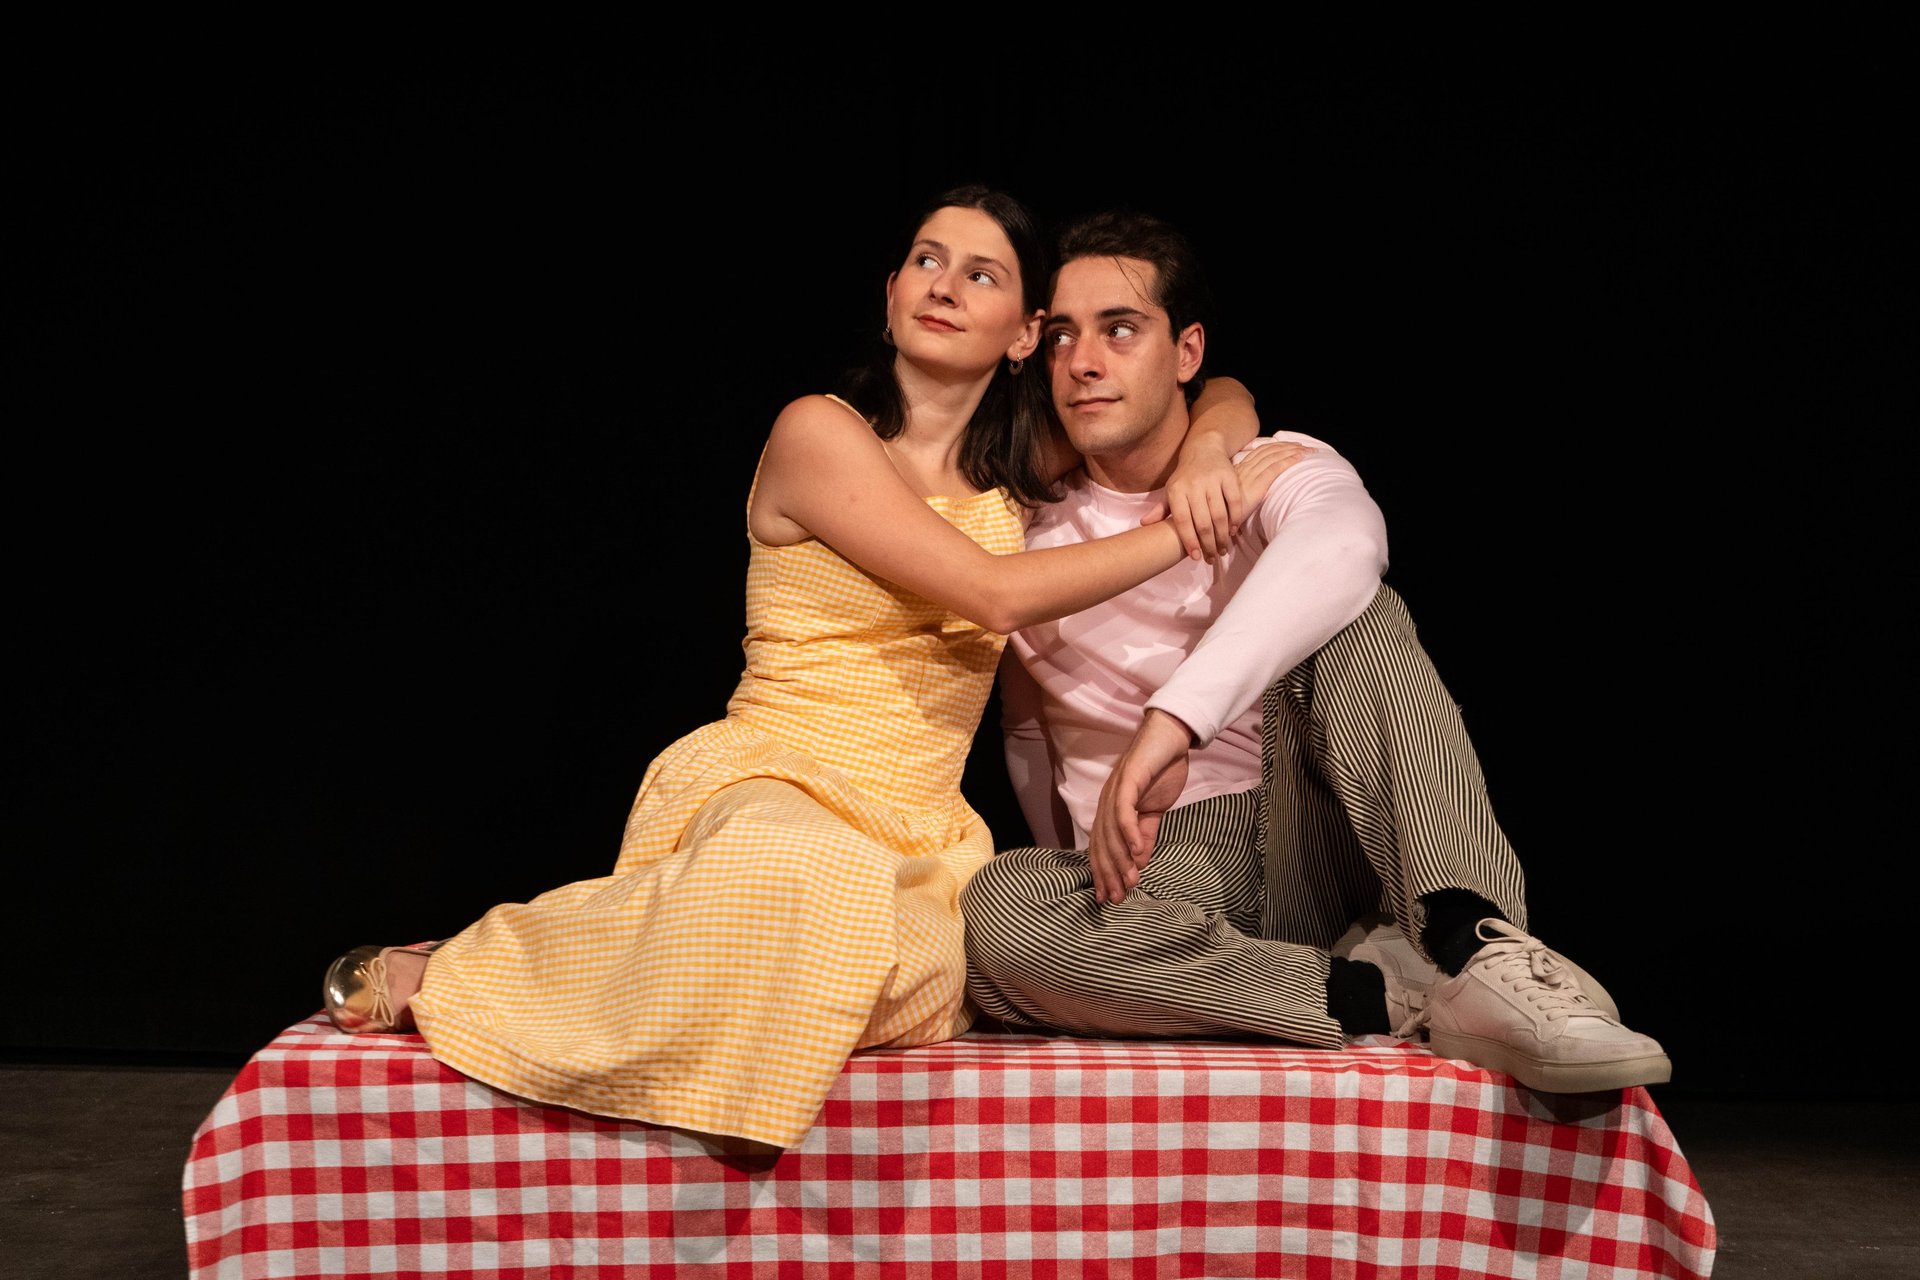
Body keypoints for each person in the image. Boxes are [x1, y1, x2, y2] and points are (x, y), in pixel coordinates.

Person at [317, 185, 1306, 1150]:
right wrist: (1185, 525)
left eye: (981, 273)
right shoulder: (818, 433)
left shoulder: (1016, 465)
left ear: (1023, 334)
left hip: (918, 832)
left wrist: (1208, 450)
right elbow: (993, 593)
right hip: (774, 782)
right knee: (794, 871)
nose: (944, 283)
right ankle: (478, 975)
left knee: (931, 961)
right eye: (926, 260)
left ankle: (731, 1040)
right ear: (891, 293)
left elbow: (1214, 389)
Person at [960, 208, 1672, 1096]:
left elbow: (1346, 542)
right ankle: (1384, 994)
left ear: (1187, 352)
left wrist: (1175, 720)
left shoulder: (1263, 465)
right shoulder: (1019, 528)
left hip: (1303, 822)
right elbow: (1030, 732)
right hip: (1165, 870)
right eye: (1063, 335)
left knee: (1355, 612)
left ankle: (1473, 943)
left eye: (1121, 329)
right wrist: (1097, 919)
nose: (1085, 361)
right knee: (996, 913)